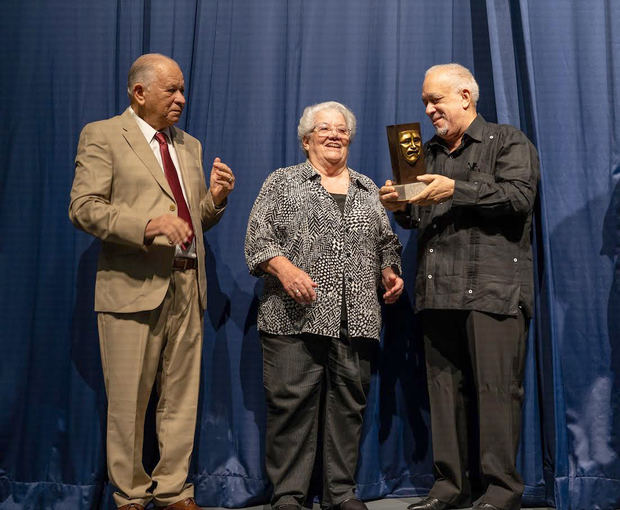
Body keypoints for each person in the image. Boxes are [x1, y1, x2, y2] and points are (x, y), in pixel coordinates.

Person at [69, 53, 235, 510]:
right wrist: (147, 225)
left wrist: (215, 201)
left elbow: (192, 221)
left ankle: (175, 491)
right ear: (139, 93)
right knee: (128, 403)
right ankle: (130, 496)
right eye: (171, 90)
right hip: (131, 287)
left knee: (180, 399)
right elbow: (83, 207)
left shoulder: (190, 146)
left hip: (187, 284)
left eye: (183, 90)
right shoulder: (102, 135)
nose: (181, 98)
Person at [379, 64, 539, 510]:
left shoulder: (507, 141)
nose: (429, 109)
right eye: (425, 101)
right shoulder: (421, 151)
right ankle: (449, 487)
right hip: (437, 291)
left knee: (496, 393)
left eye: (437, 100)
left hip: (493, 290)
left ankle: (500, 492)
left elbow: (519, 199)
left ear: (466, 97)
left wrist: (455, 190)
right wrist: (398, 205)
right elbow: (416, 218)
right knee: (442, 394)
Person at [245, 101, 404, 510]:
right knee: (290, 409)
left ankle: (340, 493)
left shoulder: (369, 188)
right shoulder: (281, 182)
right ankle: (289, 495)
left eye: (341, 130)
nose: (334, 135)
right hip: (293, 317)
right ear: (306, 140)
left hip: (357, 318)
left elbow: (387, 243)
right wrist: (285, 270)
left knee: (348, 408)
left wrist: (390, 271)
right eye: (324, 129)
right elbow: (257, 240)